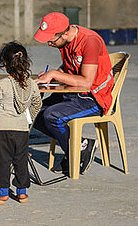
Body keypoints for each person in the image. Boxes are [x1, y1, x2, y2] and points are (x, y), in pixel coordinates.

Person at [33, 12, 114, 175]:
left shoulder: (89, 41)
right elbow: (69, 67)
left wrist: (55, 74)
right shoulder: (64, 43)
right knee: (34, 113)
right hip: (74, 93)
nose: (49, 43)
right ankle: (81, 145)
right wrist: (50, 75)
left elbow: (86, 83)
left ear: (64, 33)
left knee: (52, 116)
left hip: (94, 97)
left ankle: (76, 151)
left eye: (51, 39)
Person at [0, 42, 42, 205]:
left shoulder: (2, 84)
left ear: (4, 64)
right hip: (21, 129)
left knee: (1, 161)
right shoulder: (31, 83)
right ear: (26, 62)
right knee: (20, 160)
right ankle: (22, 193)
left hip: (1, 128)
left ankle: (2, 193)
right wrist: (28, 118)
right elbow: (37, 103)